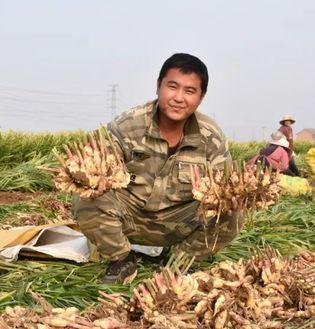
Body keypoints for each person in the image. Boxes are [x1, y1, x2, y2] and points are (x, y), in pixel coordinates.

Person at [73, 53, 242, 284]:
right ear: (158, 86)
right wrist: (92, 177)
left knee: (231, 212)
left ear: (201, 98)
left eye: (189, 91)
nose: (179, 98)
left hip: (180, 221)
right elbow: (98, 163)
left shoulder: (210, 136)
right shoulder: (128, 125)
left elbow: (225, 185)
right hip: (130, 217)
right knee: (86, 197)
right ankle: (121, 259)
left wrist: (231, 199)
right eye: (172, 87)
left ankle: (178, 262)